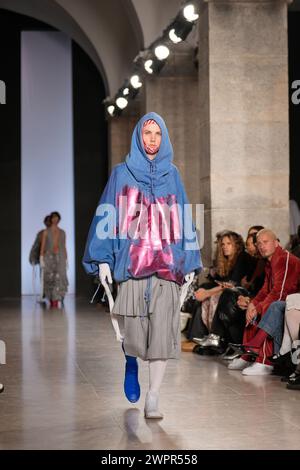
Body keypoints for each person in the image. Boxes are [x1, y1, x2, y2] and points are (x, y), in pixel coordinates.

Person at [83, 112, 201, 419]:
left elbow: (183, 214)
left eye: (157, 134)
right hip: (133, 263)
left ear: (163, 138)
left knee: (162, 335)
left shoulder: (172, 174)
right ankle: (131, 361)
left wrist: (189, 258)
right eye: (147, 133)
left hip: (166, 264)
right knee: (134, 336)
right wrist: (102, 257)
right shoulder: (122, 173)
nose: (152, 139)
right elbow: (107, 212)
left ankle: (154, 397)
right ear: (139, 136)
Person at [228, 229, 300, 375]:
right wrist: (253, 304)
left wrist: (258, 307)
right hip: (284, 301)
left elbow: (280, 293)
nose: (261, 246)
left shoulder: (284, 259)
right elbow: (265, 290)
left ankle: (263, 360)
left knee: (270, 307)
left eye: (265, 242)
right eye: (259, 243)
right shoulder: (269, 262)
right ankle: (248, 356)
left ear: (276, 243)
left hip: (292, 303)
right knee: (251, 307)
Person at [40, 211, 68, 308]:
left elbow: (64, 246)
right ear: (51, 219)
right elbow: (43, 246)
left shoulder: (62, 232)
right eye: (54, 218)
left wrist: (66, 259)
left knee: (60, 277)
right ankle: (51, 299)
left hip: (60, 257)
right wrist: (41, 257)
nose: (55, 219)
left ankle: (57, 298)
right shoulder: (46, 232)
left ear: (59, 219)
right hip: (49, 257)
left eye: (57, 218)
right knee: (49, 278)